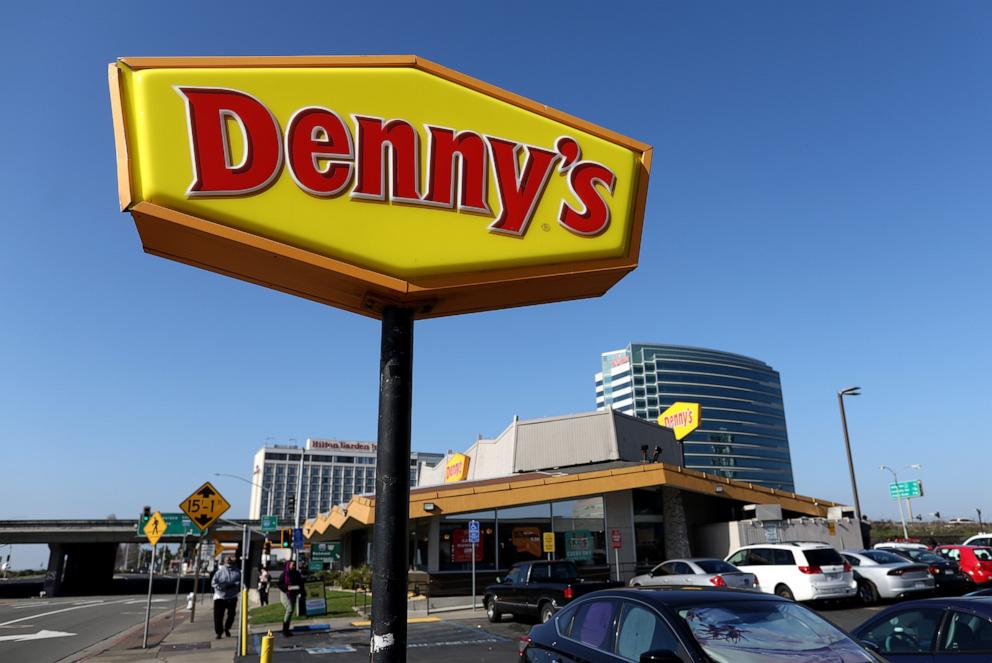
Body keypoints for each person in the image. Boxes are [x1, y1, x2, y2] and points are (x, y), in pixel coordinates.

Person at [211, 557, 241, 640]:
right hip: (220, 596)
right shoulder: (219, 571)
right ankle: (219, 633)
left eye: (230, 560)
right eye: (227, 560)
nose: (229, 561)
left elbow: (241, 582)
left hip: (232, 596)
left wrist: (236, 585)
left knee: (231, 615)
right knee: (218, 616)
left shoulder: (237, 571)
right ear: (224, 562)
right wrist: (220, 587)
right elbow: (213, 583)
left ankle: (227, 628)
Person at [278, 560, 304, 637]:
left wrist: (302, 591)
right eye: (292, 565)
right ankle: (284, 630)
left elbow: (301, 583)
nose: (293, 566)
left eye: (294, 565)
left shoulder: (297, 573)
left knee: (290, 611)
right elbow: (280, 584)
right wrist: (287, 588)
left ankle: (287, 629)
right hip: (285, 594)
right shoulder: (284, 574)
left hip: (293, 594)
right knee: (289, 609)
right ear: (288, 565)